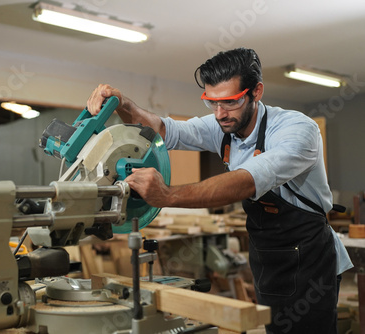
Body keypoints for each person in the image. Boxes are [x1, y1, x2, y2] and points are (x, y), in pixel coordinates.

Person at [86, 47, 353, 334]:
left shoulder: (297, 129)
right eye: (212, 103)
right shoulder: (223, 125)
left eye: (229, 102)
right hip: (267, 254)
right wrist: (123, 103)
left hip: (310, 257)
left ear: (256, 92)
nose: (220, 113)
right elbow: (164, 130)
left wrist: (168, 195)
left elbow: (247, 180)